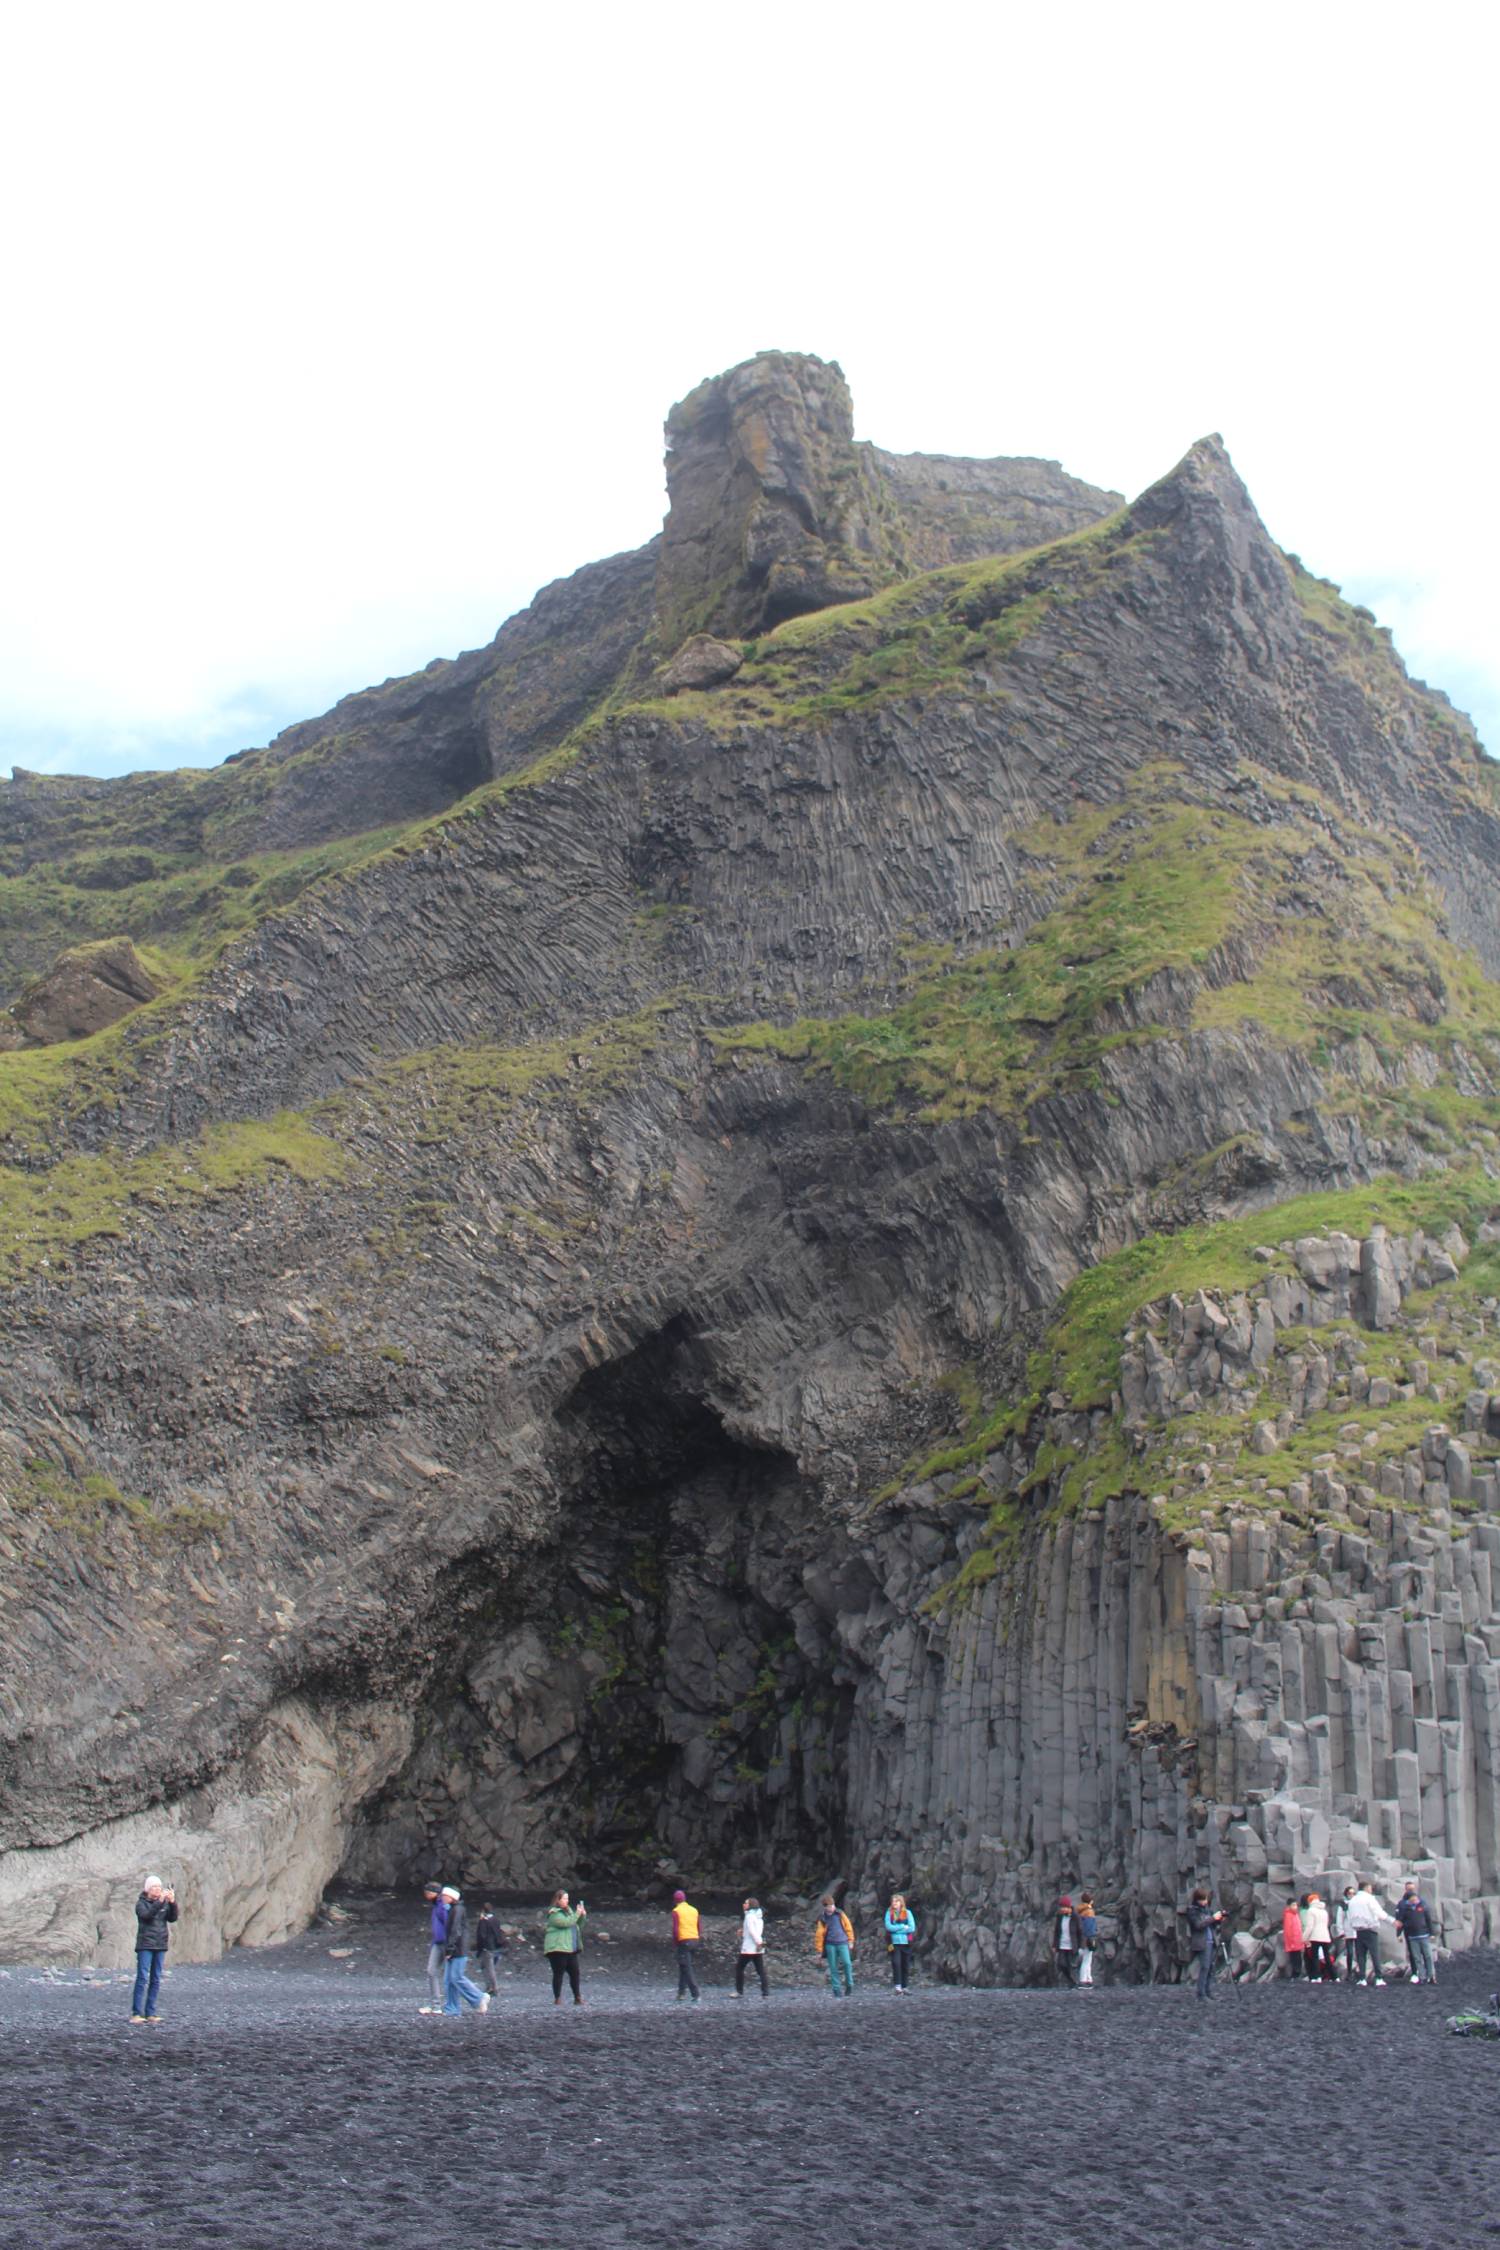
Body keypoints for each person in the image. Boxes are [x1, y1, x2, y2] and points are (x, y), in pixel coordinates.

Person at [130, 1875, 178, 2023]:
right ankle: (137, 2013)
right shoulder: (141, 1903)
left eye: (159, 1887)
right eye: (154, 1887)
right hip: (145, 1945)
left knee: (156, 1979)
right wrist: (160, 1902)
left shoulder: (163, 1903)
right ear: (148, 1889)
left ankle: (150, 2012)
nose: (157, 1890)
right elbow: (147, 1916)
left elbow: (173, 1918)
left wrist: (172, 1902)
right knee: (142, 1977)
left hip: (160, 1944)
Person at [440, 1885, 489, 2015]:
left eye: (445, 1896)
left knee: (456, 1977)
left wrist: (449, 1949)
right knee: (450, 1980)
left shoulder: (457, 1909)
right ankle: (452, 2008)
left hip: (458, 1948)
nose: (442, 1898)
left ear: (452, 1897)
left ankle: (478, 1997)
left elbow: (455, 1930)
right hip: (455, 1947)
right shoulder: (453, 1909)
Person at [1346, 1881, 1397, 1986]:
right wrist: (1392, 1921)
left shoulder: (1352, 1900)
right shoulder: (1369, 1899)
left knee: (1361, 1956)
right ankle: (1379, 1978)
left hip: (1358, 1931)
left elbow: (1350, 1916)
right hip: (1370, 1929)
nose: (1371, 1890)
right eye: (1370, 1887)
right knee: (1375, 1955)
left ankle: (1362, 1978)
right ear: (1366, 1888)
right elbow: (1379, 1912)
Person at [544, 1888, 586, 2005]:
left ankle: (577, 1997)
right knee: (558, 1973)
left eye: (568, 1898)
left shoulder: (569, 1912)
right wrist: (577, 1914)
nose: (567, 1901)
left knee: (575, 1973)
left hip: (570, 1948)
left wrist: (582, 1916)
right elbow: (565, 1923)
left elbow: (577, 1926)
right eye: (565, 1898)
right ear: (558, 1900)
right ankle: (557, 1998)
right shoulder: (554, 1914)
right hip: (557, 1948)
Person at [1394, 1881, 1438, 1984]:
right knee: (1415, 1956)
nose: (1411, 1891)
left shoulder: (1422, 1904)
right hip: (1411, 1935)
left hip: (1423, 1934)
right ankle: (1418, 1975)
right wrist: (1398, 1934)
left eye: (1412, 1889)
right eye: (1409, 1889)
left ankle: (1431, 1976)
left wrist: (1431, 1933)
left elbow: (1428, 1919)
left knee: (1427, 1955)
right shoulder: (1403, 1905)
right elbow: (1400, 1920)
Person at [1185, 1887, 1224, 2001]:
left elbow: (1211, 1925)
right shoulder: (1192, 1911)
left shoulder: (1206, 1910)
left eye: (1206, 1899)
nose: (1206, 1902)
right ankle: (1201, 1994)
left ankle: (1208, 1992)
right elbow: (1198, 1925)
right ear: (1197, 1899)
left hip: (1211, 1941)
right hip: (1201, 1943)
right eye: (1203, 1899)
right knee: (1205, 1967)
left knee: (1210, 1968)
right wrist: (1213, 1918)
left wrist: (1219, 1919)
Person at [814, 1894, 855, 1996]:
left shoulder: (840, 1914)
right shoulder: (823, 1918)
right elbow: (819, 1935)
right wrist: (819, 1950)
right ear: (825, 1907)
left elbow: (848, 1927)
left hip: (843, 1942)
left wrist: (850, 1940)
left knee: (847, 1963)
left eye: (832, 1905)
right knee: (833, 1967)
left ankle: (849, 1983)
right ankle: (836, 1989)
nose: (832, 1908)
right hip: (830, 1944)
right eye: (829, 1906)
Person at [419, 1880, 448, 2014]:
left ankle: (477, 1999)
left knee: (454, 1976)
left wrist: (451, 1945)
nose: (425, 1895)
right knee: (431, 1971)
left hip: (446, 1943)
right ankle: (436, 2005)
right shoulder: (436, 1905)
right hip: (437, 1943)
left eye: (427, 1892)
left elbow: (448, 1925)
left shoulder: (442, 1906)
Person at [671, 1890, 702, 2002]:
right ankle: (681, 1993)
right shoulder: (694, 1910)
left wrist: (675, 1942)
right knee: (683, 1966)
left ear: (675, 1900)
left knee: (687, 1968)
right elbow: (699, 1926)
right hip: (694, 1939)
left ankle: (696, 1994)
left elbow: (675, 1929)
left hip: (684, 1940)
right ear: (684, 1899)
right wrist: (697, 1938)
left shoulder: (676, 1911)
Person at [735, 1897, 769, 1998]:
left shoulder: (749, 1916)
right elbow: (756, 1930)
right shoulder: (758, 1916)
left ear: (750, 1905)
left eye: (746, 1903)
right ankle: (765, 1992)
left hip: (749, 1948)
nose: (744, 1905)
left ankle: (739, 1991)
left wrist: (758, 1942)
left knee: (739, 1968)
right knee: (760, 1970)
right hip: (757, 1947)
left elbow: (752, 1930)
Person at [1301, 1890, 1336, 1981]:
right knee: (1327, 1956)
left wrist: (1304, 1938)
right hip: (1325, 1936)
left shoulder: (1311, 1911)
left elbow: (1310, 1926)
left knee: (1315, 1956)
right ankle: (1334, 1976)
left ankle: (1317, 1976)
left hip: (1315, 1936)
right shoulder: (1324, 1911)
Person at [884, 1893, 916, 1990]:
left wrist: (896, 1930)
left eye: (896, 1901)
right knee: (896, 1963)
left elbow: (911, 1928)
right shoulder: (889, 1913)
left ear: (901, 1902)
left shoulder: (908, 1913)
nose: (894, 1903)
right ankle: (897, 1985)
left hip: (906, 1942)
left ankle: (905, 1986)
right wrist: (902, 1927)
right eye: (893, 1901)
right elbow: (889, 1927)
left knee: (905, 1964)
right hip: (893, 1943)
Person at [475, 1903, 508, 1996]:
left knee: (488, 1968)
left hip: (487, 1947)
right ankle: (490, 1987)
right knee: (486, 1966)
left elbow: (482, 1936)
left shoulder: (484, 1921)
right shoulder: (495, 1919)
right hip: (496, 1946)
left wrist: (480, 1947)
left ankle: (493, 1988)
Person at [1052, 1895, 1080, 1987]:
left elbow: (1080, 1931)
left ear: (1068, 1907)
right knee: (1061, 1964)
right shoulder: (1060, 1917)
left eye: (1064, 1907)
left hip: (1072, 1945)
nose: (1062, 1909)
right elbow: (1057, 1931)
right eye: (1061, 1907)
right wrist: (1055, 1945)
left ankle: (1075, 1982)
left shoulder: (1075, 1917)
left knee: (1071, 1965)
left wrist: (1081, 1946)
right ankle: (1070, 1980)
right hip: (1062, 1945)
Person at [1334, 1885, 1360, 1981]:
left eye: (1353, 1893)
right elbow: (1339, 1918)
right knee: (1350, 1952)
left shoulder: (1358, 1904)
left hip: (1358, 1930)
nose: (1351, 1895)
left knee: (1359, 1952)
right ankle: (1349, 1972)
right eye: (1350, 1893)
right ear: (1346, 1894)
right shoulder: (1343, 1905)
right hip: (1348, 1931)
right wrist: (1341, 1932)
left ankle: (1359, 1971)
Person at [1076, 1893, 1098, 1986]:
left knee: (1087, 1958)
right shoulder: (1089, 1911)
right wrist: (1092, 1935)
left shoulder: (1079, 1910)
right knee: (1087, 1959)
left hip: (1081, 1937)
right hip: (1088, 1937)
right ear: (1090, 1901)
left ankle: (1089, 1978)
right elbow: (1090, 1926)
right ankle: (1084, 1979)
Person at [1282, 1897, 1305, 1980]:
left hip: (1297, 1941)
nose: (1295, 1907)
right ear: (1289, 1906)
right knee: (1294, 1958)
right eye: (1293, 1905)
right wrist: (1291, 1942)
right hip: (1293, 1942)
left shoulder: (1295, 1914)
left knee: (1297, 1958)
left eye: (1296, 1905)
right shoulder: (1289, 1915)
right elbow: (1288, 1930)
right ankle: (1295, 1974)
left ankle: (1297, 1973)